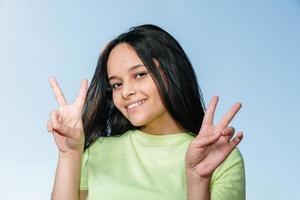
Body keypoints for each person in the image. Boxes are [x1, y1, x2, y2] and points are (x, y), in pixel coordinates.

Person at [47, 24, 245, 200]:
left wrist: (198, 179)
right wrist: (69, 154)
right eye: (116, 84)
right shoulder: (96, 151)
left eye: (140, 74)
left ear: (171, 71)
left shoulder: (219, 156)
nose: (125, 92)